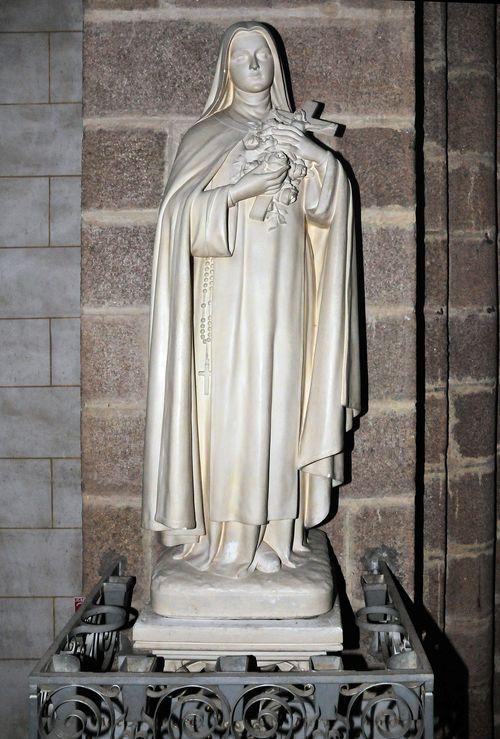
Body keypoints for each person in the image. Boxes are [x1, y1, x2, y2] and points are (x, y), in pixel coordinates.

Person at [142, 21, 361, 578]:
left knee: (285, 402)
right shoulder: (205, 135)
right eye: (243, 54)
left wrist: (315, 157)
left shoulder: (297, 132)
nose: (255, 61)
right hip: (229, 301)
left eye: (263, 51)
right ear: (227, 68)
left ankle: (278, 537)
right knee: (235, 409)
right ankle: (231, 536)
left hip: (289, 296)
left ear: (277, 65)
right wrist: (243, 187)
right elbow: (179, 223)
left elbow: (327, 211)